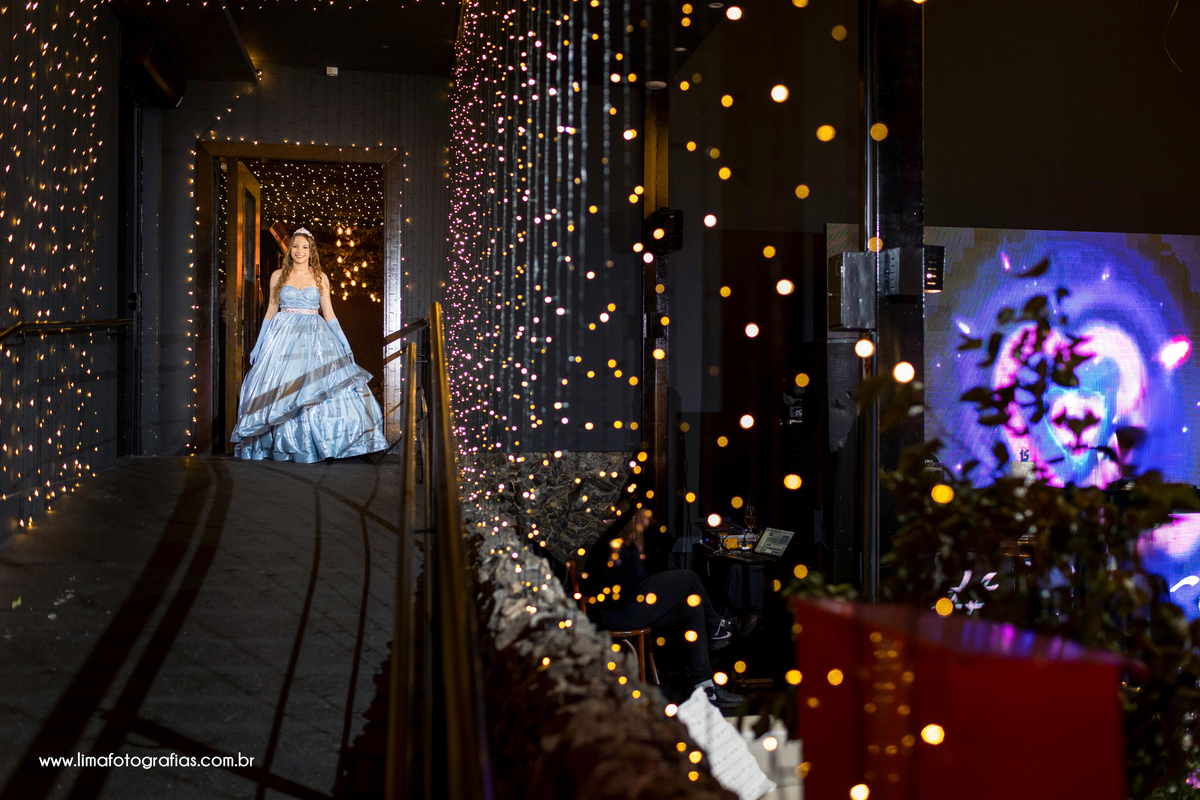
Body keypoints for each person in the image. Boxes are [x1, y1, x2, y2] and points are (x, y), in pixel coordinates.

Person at [579, 490, 752, 708]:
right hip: (615, 613)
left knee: (692, 606)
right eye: (643, 517)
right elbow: (625, 591)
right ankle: (718, 627)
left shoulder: (632, 541)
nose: (648, 522)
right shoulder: (615, 541)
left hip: (629, 606)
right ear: (631, 515)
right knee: (689, 577)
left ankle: (704, 687)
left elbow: (639, 582)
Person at [230, 227, 387, 462]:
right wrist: (258, 345)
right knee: (284, 388)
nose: (299, 251)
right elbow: (270, 313)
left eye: (305, 247)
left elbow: (330, 314)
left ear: (311, 251)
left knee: (314, 387)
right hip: (283, 338)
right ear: (289, 249)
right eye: (295, 246)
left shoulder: (320, 277)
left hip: (314, 338)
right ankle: (282, 443)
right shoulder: (278, 276)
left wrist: (345, 345)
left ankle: (316, 444)